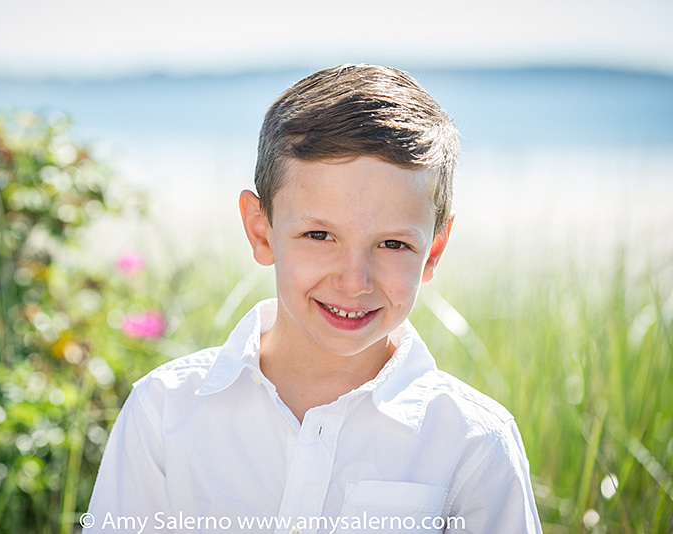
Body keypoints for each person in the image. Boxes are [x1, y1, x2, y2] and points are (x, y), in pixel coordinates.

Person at [83, 64, 542, 533]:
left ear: (432, 253)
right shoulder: (164, 414)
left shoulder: (473, 442)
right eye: (319, 235)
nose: (354, 280)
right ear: (261, 232)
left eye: (393, 244)